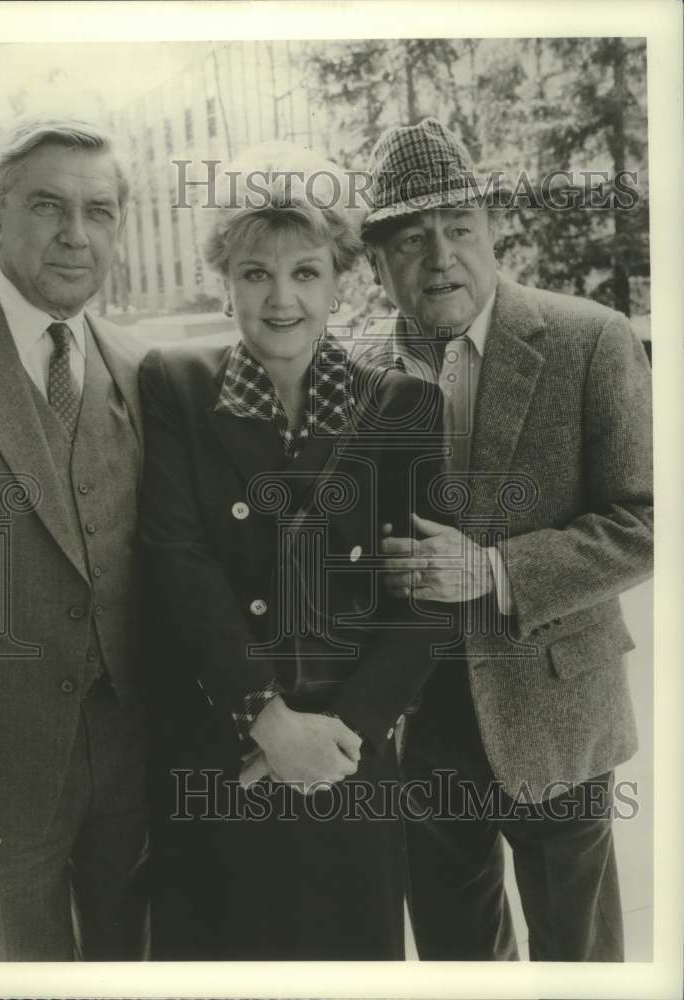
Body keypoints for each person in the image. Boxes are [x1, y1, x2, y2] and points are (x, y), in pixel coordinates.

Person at [138, 141, 454, 960]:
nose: (281, 299)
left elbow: (424, 599)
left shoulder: (404, 404)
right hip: (220, 749)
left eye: (305, 273)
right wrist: (267, 721)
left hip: (349, 757)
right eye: (255, 274)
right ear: (225, 281)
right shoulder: (173, 385)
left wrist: (336, 736)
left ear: (339, 280)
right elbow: (177, 559)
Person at [359, 117, 653, 961]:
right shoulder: (353, 368)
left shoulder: (589, 338)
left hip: (555, 702)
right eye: (412, 240)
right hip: (419, 717)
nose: (441, 256)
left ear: (493, 232)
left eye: (459, 229)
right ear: (378, 265)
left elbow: (645, 520)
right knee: (457, 953)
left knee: (578, 953)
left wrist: (494, 569)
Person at [0, 116, 148, 961]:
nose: (75, 235)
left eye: (99, 211)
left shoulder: (134, 365)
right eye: (48, 207)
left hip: (133, 771)